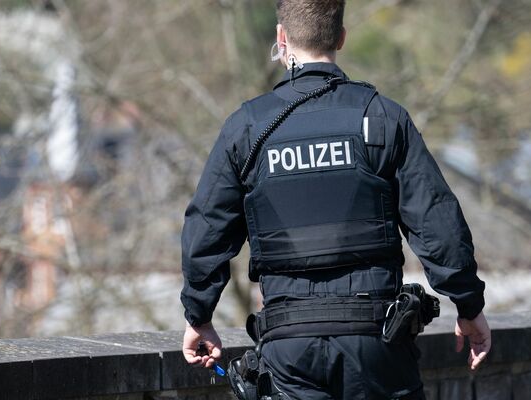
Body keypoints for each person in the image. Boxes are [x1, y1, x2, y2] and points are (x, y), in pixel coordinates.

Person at [180, 1, 491, 398]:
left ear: (282, 38)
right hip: (378, 342)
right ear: (341, 37)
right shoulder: (380, 118)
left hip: (289, 345)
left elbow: (206, 230)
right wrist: (468, 305)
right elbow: (437, 224)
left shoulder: (247, 127)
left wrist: (199, 314)